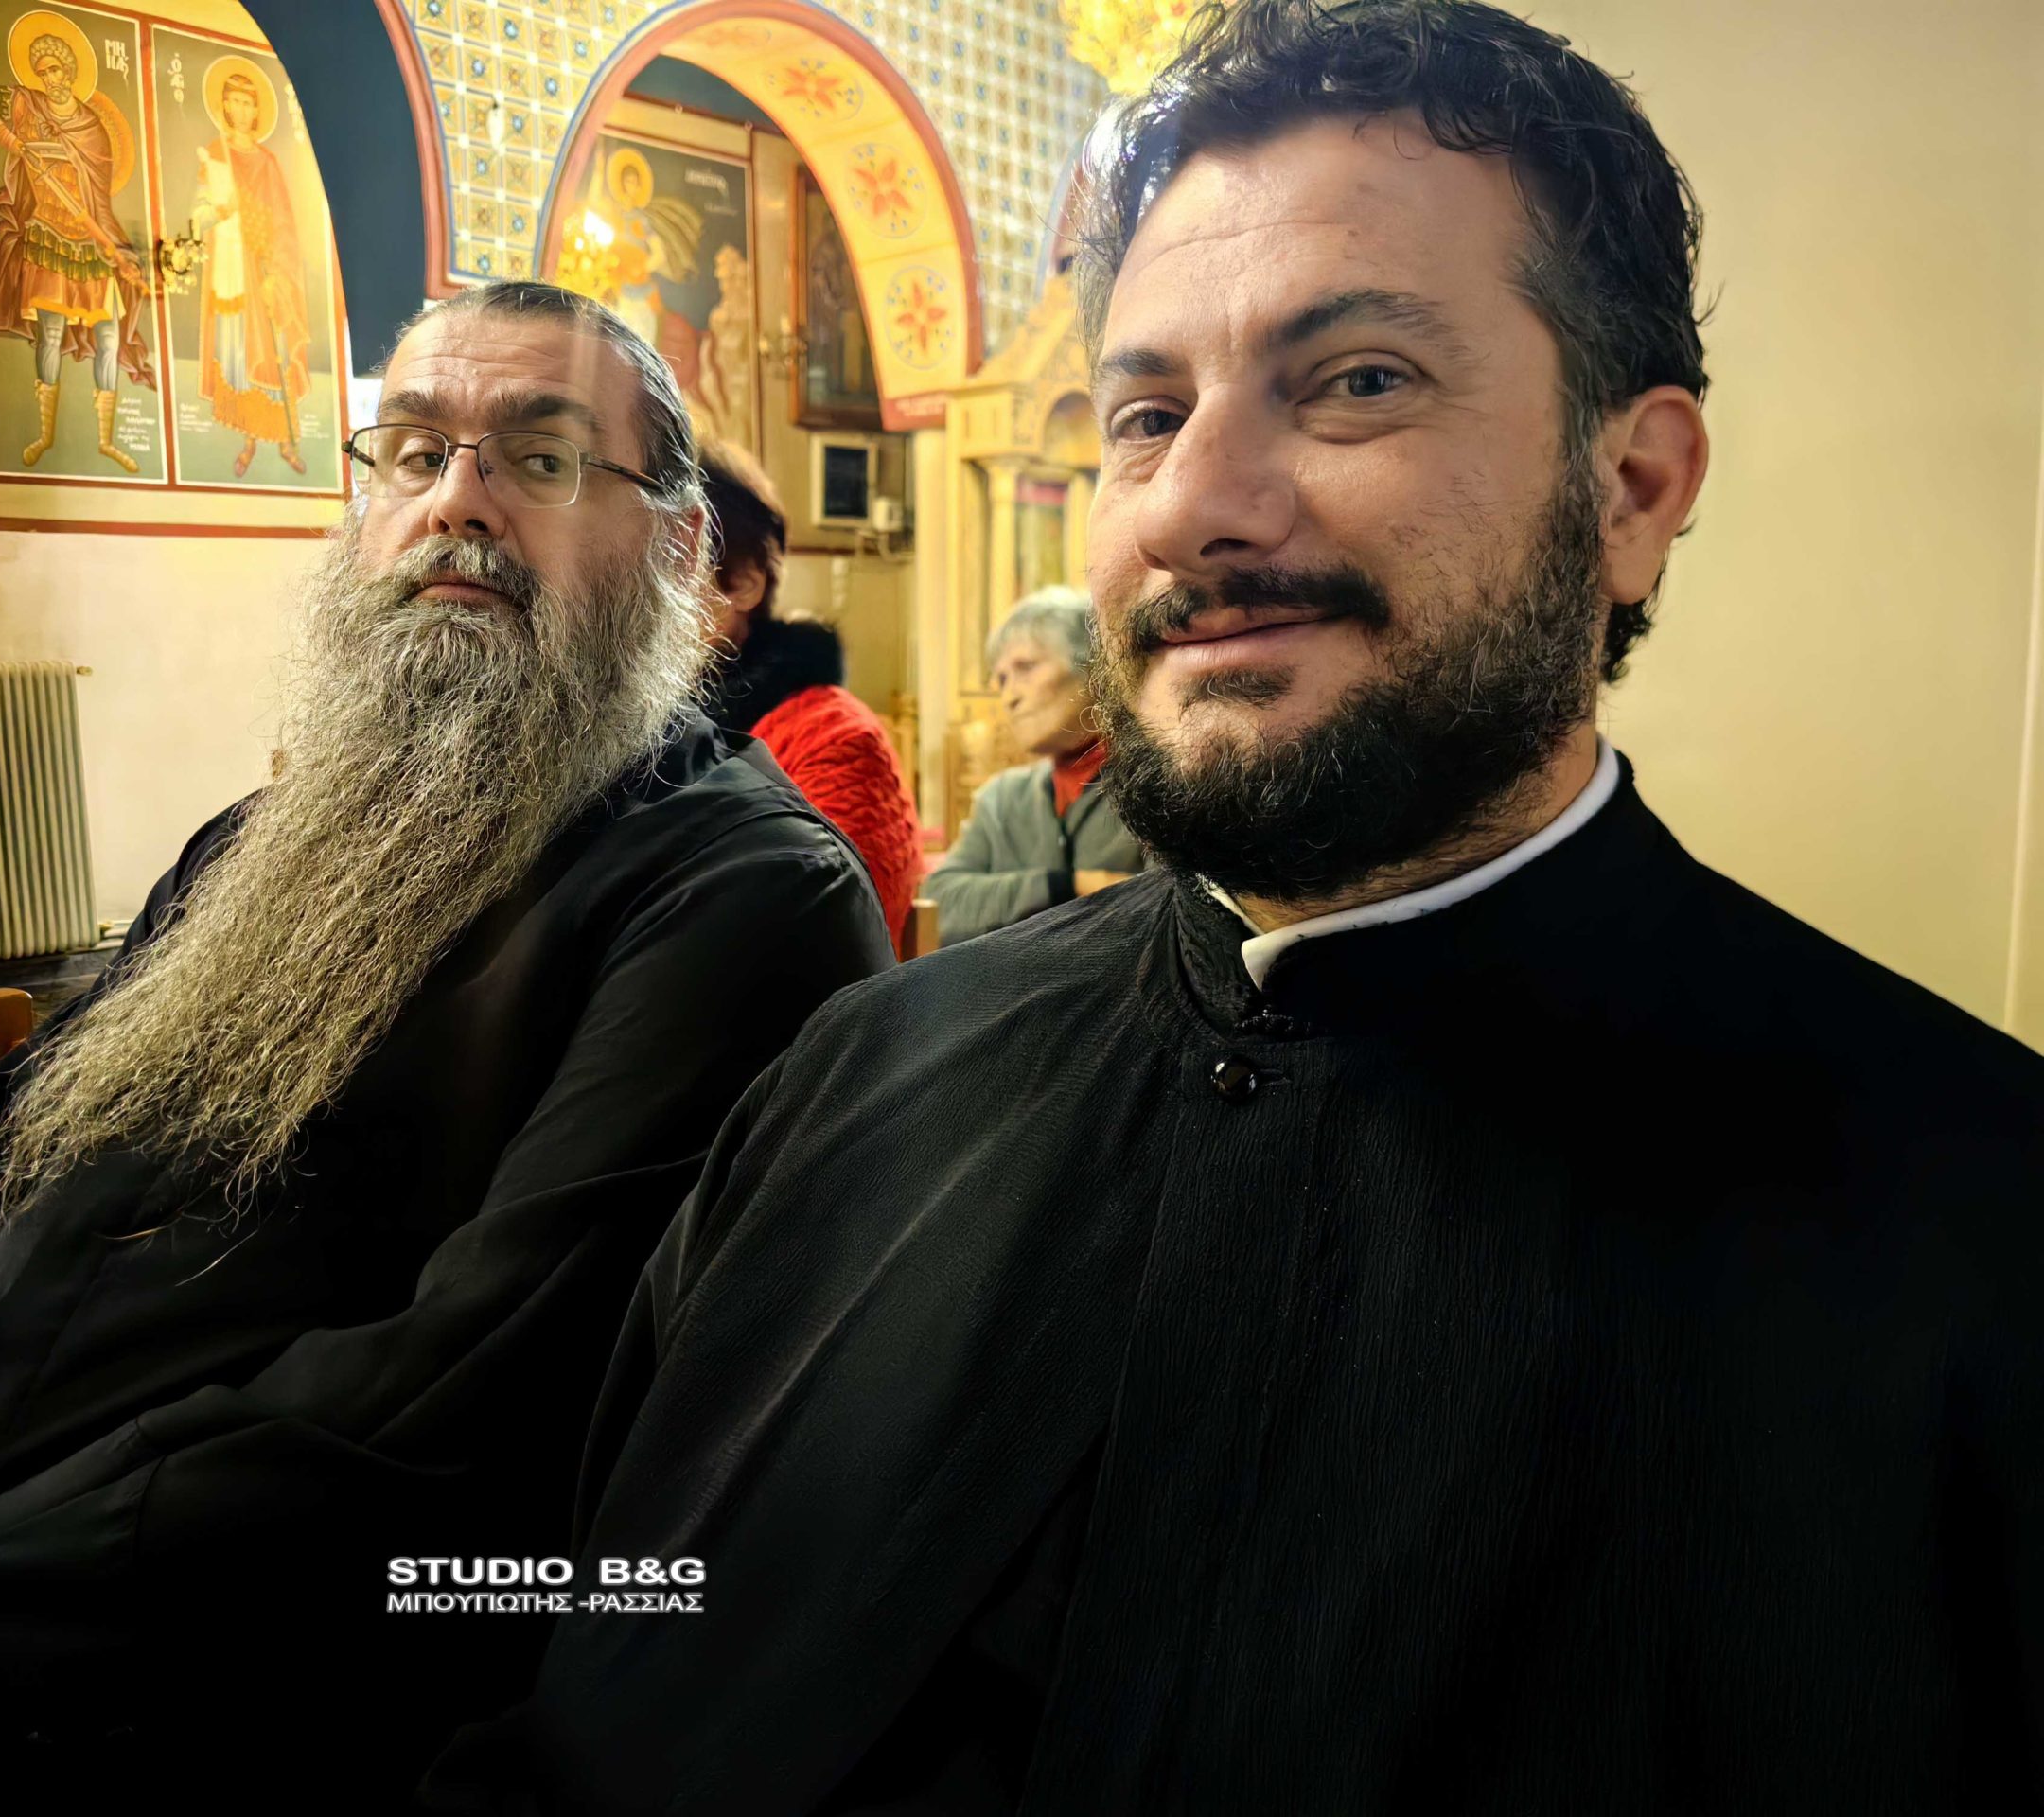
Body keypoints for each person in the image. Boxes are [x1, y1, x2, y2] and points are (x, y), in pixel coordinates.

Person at [429, 5, 2044, 1812]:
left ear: (1632, 487)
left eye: (1355, 380)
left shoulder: (1986, 1236)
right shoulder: (859, 1080)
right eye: (1146, 414)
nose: (1193, 502)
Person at [0, 280, 890, 1812]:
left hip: (184, 1694)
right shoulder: (264, 839)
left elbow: (467, 1406)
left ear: (679, 548)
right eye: (410, 453)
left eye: (540, 458)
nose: (456, 503)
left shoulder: (744, 895)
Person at [698, 440, 918, 947]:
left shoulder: (834, 736)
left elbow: (828, 936)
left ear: (742, 584)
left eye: (665, 564)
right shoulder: (635, 727)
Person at [0, 26, 155, 472]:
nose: (49, 78)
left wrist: (119, 251)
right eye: (42, 72)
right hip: (47, 235)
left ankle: (106, 441)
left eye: (55, 69)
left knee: (109, 336)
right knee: (49, 334)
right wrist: (16, 143)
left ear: (70, 71)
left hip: (89, 240)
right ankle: (45, 435)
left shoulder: (93, 128)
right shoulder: (25, 104)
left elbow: (100, 198)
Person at [921, 588, 1142, 942]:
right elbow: (940, 902)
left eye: (1025, 668)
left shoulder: (1155, 784)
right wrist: (1065, 886)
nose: (1009, 696)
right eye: (1002, 680)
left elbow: (1172, 913)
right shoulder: (1001, 798)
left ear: (1094, 666)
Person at [190, 60, 311, 478]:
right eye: (234, 102)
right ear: (224, 107)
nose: (241, 110)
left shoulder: (268, 161)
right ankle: (248, 441)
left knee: (275, 353)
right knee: (240, 355)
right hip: (232, 271)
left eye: (247, 103)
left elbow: (284, 222)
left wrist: (278, 271)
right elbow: (199, 213)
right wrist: (217, 211)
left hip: (268, 271)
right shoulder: (215, 154)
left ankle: (287, 441)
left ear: (257, 110)